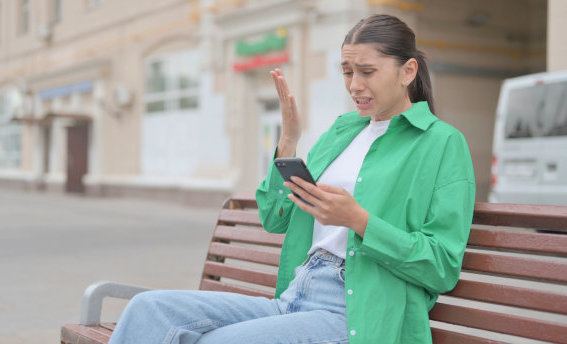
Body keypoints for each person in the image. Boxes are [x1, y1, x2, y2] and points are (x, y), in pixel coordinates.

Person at [109, 14, 475, 344]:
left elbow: (441, 266)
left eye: (367, 72)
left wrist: (359, 221)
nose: (354, 85)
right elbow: (275, 217)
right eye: (347, 72)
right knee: (148, 309)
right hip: (296, 295)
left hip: (356, 314)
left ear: (408, 71)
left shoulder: (441, 143)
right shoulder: (343, 132)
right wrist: (288, 141)